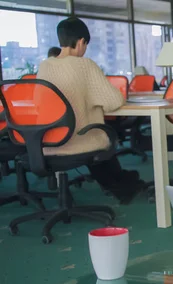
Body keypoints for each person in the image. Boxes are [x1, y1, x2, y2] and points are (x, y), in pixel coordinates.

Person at [36, 17, 145, 204]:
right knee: (100, 137)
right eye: (85, 45)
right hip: (76, 139)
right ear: (81, 42)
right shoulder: (84, 65)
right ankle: (122, 185)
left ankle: (123, 182)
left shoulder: (45, 66)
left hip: (47, 140)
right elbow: (113, 101)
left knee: (96, 136)